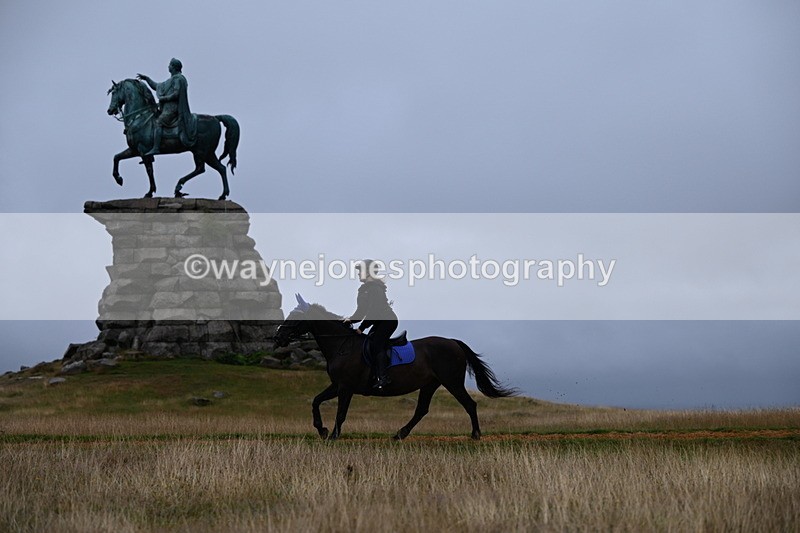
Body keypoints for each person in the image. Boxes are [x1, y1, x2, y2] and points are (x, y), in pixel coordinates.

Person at [344, 259, 398, 390]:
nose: (358, 274)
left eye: (360, 271)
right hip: (378, 321)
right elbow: (361, 311)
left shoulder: (375, 288)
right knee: (368, 343)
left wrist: (362, 328)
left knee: (376, 345)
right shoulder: (364, 290)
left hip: (387, 321)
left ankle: (383, 378)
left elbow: (374, 311)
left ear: (368, 272)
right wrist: (350, 320)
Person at [137, 58, 197, 155]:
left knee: (158, 122)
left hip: (173, 109)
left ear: (173, 67)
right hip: (166, 108)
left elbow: (176, 94)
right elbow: (157, 86)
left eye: (170, 65)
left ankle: (156, 148)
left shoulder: (179, 79)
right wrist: (147, 79)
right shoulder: (170, 80)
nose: (168, 66)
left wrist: (164, 99)